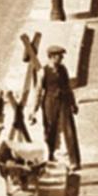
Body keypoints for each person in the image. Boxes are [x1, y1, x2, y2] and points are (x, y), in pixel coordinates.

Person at [39, 43, 81, 175]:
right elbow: (38, 91)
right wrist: (32, 111)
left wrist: (73, 104)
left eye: (62, 56)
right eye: (59, 56)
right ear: (51, 57)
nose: (61, 59)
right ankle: (50, 157)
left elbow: (68, 88)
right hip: (49, 102)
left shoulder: (63, 69)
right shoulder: (43, 71)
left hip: (63, 101)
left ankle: (74, 161)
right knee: (50, 130)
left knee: (69, 130)